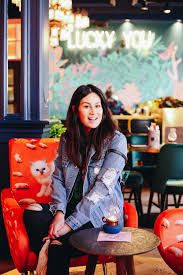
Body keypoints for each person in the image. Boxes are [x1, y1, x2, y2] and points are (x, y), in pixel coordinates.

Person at [23, 84, 127, 275]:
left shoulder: (116, 139)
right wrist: (60, 213)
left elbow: (102, 188)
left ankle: (50, 247)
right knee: (31, 213)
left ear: (103, 110)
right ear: (75, 109)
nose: (93, 112)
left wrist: (69, 224)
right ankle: (53, 242)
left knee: (58, 247)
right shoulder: (67, 139)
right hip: (70, 207)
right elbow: (59, 178)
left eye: (98, 106)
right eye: (87, 106)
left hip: (99, 214)